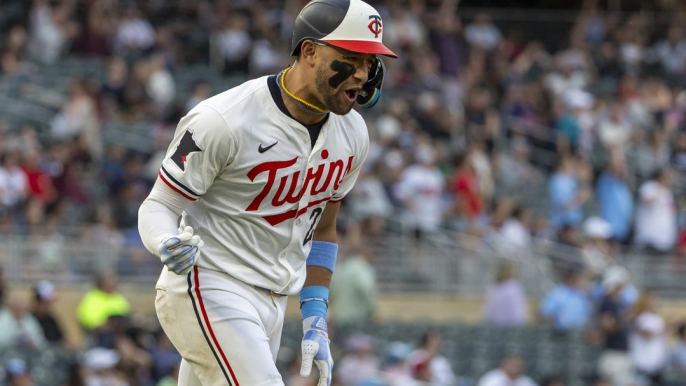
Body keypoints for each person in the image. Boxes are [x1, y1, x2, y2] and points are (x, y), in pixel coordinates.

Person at [137, 1, 397, 385]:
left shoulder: (353, 134)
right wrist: (165, 241)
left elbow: (323, 230)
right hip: (209, 283)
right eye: (351, 57)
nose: (363, 73)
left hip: (273, 302)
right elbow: (159, 203)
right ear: (309, 51)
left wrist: (315, 315)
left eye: (370, 62)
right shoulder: (223, 119)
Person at [482, 263, 528, 327]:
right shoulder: (514, 287)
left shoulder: (494, 289)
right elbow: (518, 313)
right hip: (511, 327)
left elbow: (488, 313)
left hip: (495, 328)